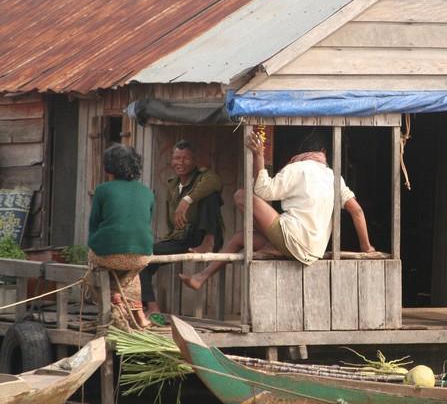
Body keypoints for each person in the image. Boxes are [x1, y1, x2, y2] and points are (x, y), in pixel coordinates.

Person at [180, 130, 375, 290]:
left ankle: (274, 246)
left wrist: (259, 156)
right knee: (240, 237)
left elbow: (263, 191)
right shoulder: (335, 177)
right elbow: (357, 211)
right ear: (323, 152)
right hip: (312, 251)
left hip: (292, 239)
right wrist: (367, 248)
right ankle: (201, 278)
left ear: (300, 152)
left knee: (241, 195)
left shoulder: (297, 168)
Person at [139, 139, 223, 316]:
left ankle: (209, 241)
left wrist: (187, 200)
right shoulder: (172, 183)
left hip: (202, 234)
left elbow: (214, 182)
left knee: (210, 196)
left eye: (185, 158)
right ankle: (152, 307)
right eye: (177, 158)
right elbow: (171, 215)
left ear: (194, 161)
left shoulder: (204, 177)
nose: (180, 163)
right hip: (181, 237)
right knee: (144, 259)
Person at [88, 144, 154, 329]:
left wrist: (94, 243)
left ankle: (113, 298)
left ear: (108, 166)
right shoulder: (147, 192)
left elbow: (94, 224)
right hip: (142, 256)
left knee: (94, 268)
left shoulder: (102, 190)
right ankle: (138, 314)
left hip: (108, 255)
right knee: (132, 273)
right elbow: (144, 222)